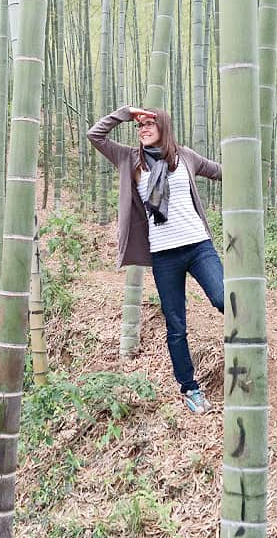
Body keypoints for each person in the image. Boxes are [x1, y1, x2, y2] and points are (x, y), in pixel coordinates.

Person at [87, 105, 223, 414]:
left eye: (151, 124)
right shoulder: (129, 159)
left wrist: (253, 178)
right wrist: (125, 113)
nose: (144, 129)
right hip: (164, 255)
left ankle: (251, 344)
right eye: (140, 125)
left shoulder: (184, 156)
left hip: (198, 246)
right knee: (176, 325)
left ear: (165, 126)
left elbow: (219, 172)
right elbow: (94, 135)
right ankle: (190, 389)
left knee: (222, 297)